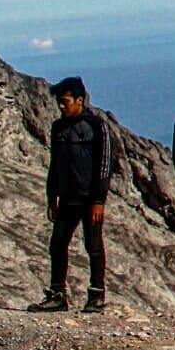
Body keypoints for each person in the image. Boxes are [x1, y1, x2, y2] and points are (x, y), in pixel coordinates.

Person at [30, 76, 113, 313]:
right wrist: (51, 197)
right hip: (67, 198)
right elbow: (54, 164)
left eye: (65, 101)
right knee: (57, 244)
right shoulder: (58, 127)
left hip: (90, 200)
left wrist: (99, 200)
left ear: (80, 99)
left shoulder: (97, 126)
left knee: (94, 246)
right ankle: (57, 295)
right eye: (59, 101)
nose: (61, 106)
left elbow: (105, 164)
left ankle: (96, 296)